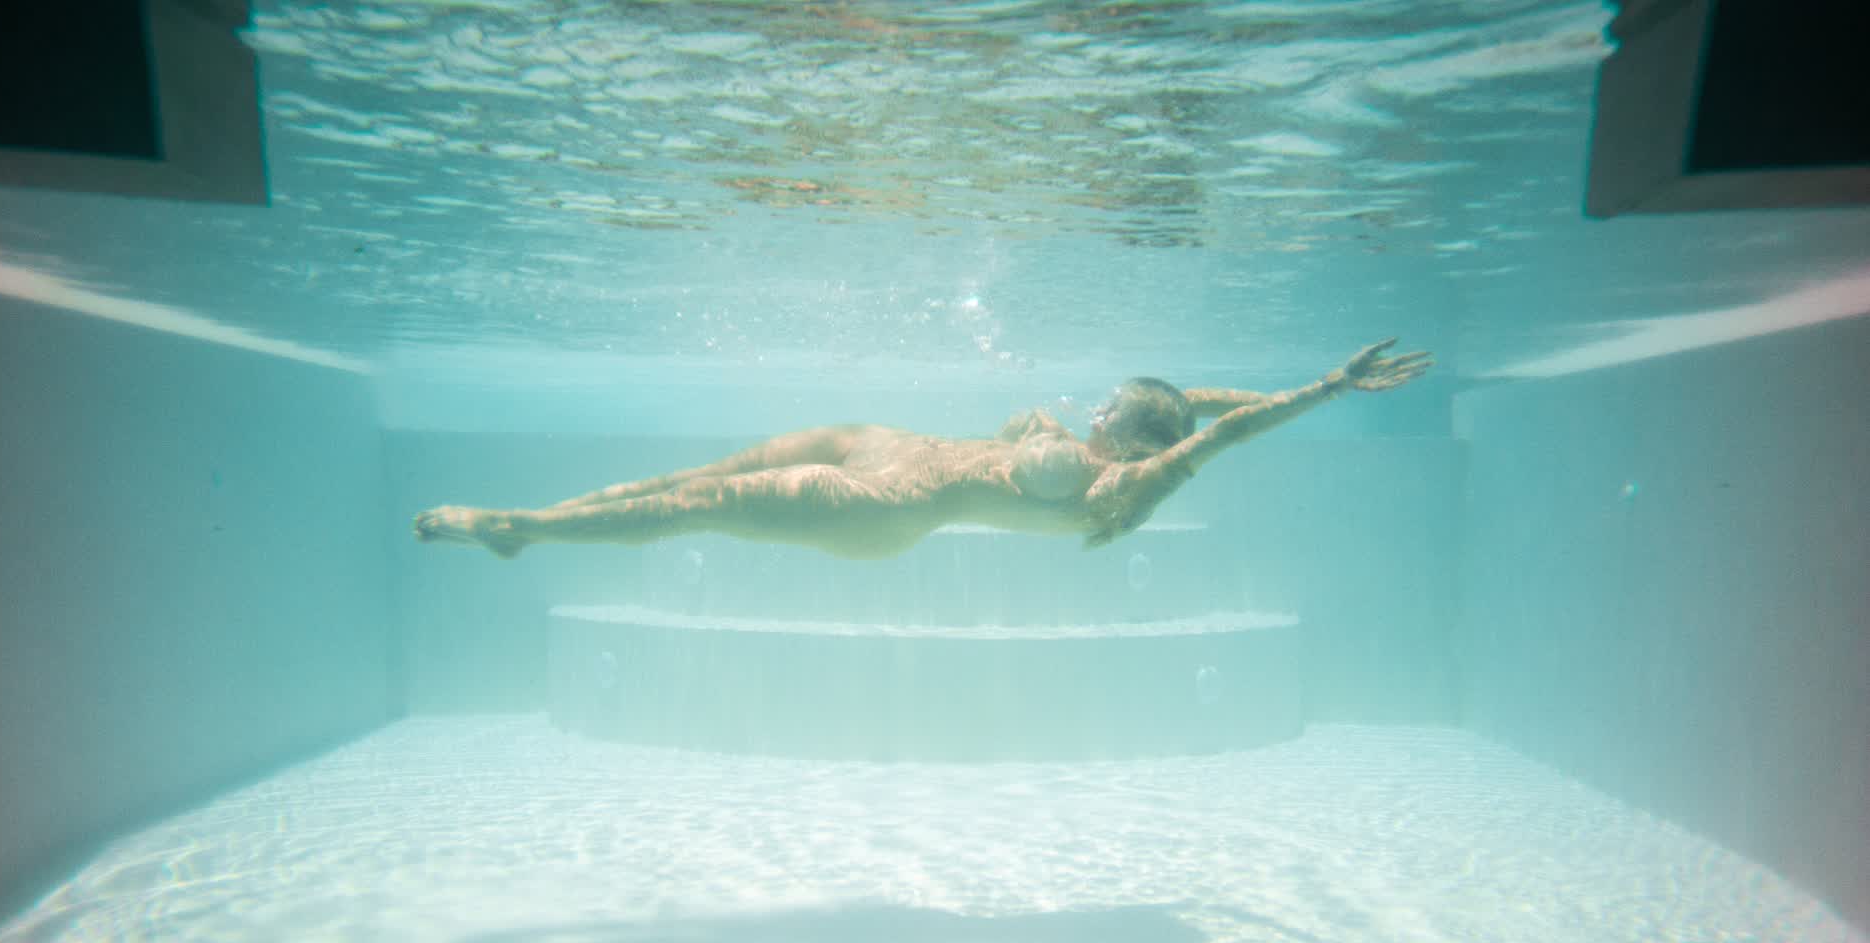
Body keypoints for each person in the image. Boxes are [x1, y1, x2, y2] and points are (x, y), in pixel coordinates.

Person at [412, 338, 1431, 561]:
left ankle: (524, 525)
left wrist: (1328, 387)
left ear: (1133, 434)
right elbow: (1195, 401)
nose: (1093, 407)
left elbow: (1224, 429)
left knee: (702, 507)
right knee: (701, 475)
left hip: (884, 508)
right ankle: (535, 526)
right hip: (885, 444)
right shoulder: (1127, 439)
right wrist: (1201, 395)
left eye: (1111, 406)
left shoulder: (1130, 479)